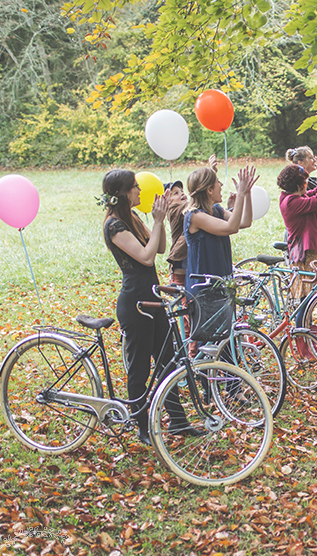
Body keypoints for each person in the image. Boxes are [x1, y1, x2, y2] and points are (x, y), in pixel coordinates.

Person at [101, 170, 186, 445]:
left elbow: (159, 248)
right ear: (123, 193)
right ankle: (141, 426)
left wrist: (157, 221)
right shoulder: (114, 226)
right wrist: (159, 221)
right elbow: (146, 258)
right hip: (135, 303)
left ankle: (178, 421)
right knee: (140, 368)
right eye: (135, 187)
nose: (140, 190)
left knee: (168, 361)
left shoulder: (133, 219)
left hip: (152, 298)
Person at [184, 163, 257, 293]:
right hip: (204, 289)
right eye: (218, 183)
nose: (221, 186)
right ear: (209, 190)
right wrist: (240, 195)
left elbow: (245, 222)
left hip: (222, 283)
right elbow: (231, 228)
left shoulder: (216, 210)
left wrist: (247, 193)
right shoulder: (195, 216)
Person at [277, 149, 317, 302]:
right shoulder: (291, 202)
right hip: (305, 256)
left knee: (315, 295)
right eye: (304, 181)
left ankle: (309, 325)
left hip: (313, 253)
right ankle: (302, 326)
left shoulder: (298, 196)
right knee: (305, 298)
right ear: (297, 184)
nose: (307, 184)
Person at [286, 146, 317, 237]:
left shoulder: (313, 182)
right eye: (311, 158)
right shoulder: (296, 186)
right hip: (303, 236)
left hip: (315, 233)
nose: (314, 160)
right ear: (300, 163)